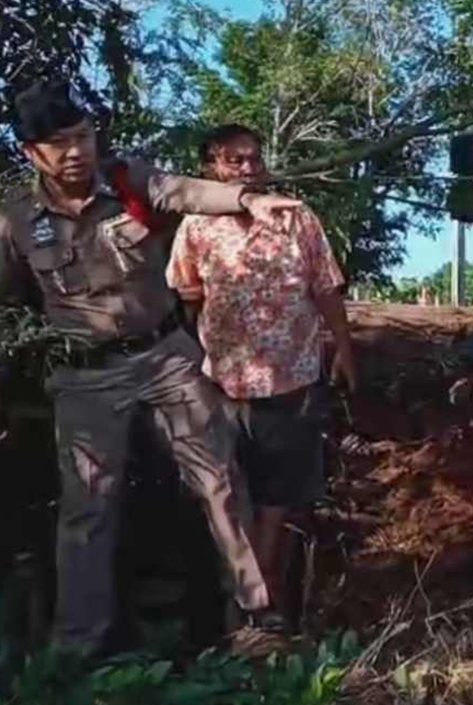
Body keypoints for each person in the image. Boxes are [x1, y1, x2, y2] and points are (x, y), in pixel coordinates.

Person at [0, 80, 297, 655]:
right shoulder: (15, 221)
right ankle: (77, 647)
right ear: (31, 152)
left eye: (83, 136)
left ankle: (254, 622)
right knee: (87, 511)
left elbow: (183, 191)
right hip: (86, 377)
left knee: (220, 483)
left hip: (167, 360)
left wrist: (245, 199)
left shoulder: (126, 180)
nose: (76, 152)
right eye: (59, 143)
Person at [167, 124, 356, 616]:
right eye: (234, 161)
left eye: (254, 158)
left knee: (283, 494)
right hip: (224, 385)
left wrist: (344, 349)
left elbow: (325, 289)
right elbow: (189, 302)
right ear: (211, 168)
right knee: (231, 495)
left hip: (292, 379)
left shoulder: (296, 218)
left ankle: (270, 600)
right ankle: (242, 603)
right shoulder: (195, 228)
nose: (248, 168)